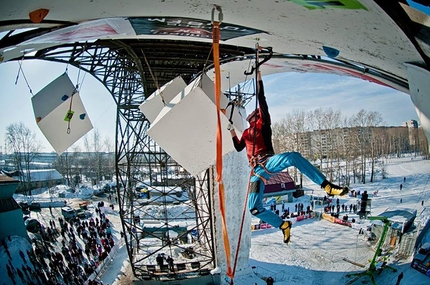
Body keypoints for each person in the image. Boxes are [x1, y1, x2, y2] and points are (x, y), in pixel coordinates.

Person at [229, 71, 348, 244]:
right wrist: (231, 130)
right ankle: (283, 225)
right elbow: (239, 147)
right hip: (255, 171)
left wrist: (259, 77)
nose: (255, 115)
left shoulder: (263, 123)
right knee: (254, 209)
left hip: (267, 161)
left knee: (292, 156)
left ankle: (326, 185)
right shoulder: (247, 132)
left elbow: (262, 99)